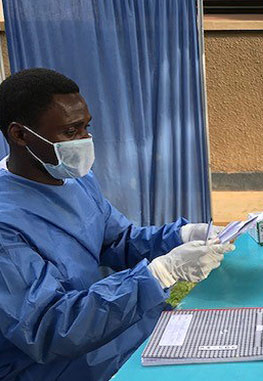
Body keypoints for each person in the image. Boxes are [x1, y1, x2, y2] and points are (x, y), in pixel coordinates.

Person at [0, 68, 234, 380]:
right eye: (71, 132)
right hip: (59, 368)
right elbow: (49, 327)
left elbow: (115, 240)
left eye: (86, 128)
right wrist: (160, 273)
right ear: (20, 134)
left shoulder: (72, 179)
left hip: (115, 333)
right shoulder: (6, 224)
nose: (84, 141)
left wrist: (179, 236)